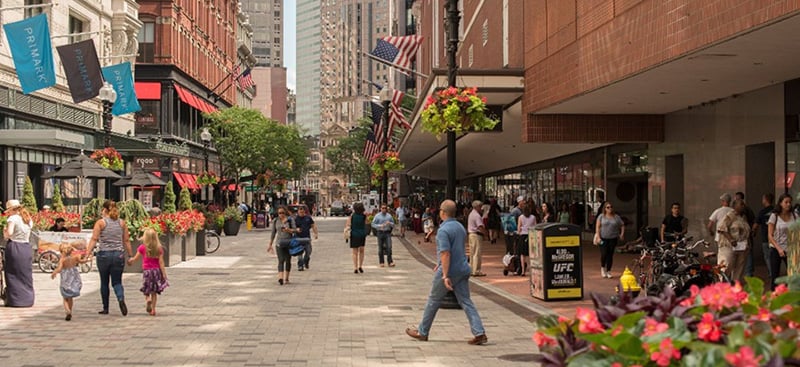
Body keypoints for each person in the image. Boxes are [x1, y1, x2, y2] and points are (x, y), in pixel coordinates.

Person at [405, 199, 487, 345]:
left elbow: (446, 253)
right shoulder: (460, 227)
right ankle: (479, 331)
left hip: (449, 270)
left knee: (433, 300)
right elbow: (455, 250)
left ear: (442, 212)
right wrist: (439, 263)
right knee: (466, 301)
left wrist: (444, 274)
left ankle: (423, 331)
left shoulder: (443, 230)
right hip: (462, 268)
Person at [86, 200, 133, 315]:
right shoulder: (121, 223)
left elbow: (94, 239)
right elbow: (126, 240)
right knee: (117, 282)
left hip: (104, 255)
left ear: (105, 210)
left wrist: (87, 253)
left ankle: (105, 308)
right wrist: (130, 255)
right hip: (118, 255)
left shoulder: (101, 223)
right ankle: (121, 299)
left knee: (104, 282)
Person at [127, 228, 169, 316]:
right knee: (154, 291)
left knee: (146, 288)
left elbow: (136, 258)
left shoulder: (142, 248)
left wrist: (131, 261)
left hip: (147, 271)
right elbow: (161, 262)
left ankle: (147, 299)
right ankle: (153, 309)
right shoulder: (159, 248)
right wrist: (163, 273)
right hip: (156, 271)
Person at [2, 200, 35, 307]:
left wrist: (4, 232)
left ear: (11, 210)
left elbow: (9, 234)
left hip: (15, 247)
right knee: (25, 274)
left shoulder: (13, 218)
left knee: (13, 273)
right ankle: (27, 299)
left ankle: (16, 299)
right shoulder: (27, 218)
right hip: (26, 247)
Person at [50, 243, 89, 320]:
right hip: (73, 279)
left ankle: (67, 311)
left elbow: (60, 269)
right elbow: (81, 261)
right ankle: (70, 310)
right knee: (70, 297)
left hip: (66, 280)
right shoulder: (75, 258)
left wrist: (54, 272)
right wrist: (87, 259)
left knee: (65, 297)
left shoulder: (62, 260)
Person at [768, 193, 797, 290]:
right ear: (780, 203)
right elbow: (770, 235)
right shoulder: (774, 216)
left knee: (793, 274)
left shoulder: (794, 215)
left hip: (791, 248)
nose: (788, 204)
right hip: (776, 248)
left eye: (790, 202)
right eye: (786, 202)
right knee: (775, 275)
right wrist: (779, 248)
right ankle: (773, 296)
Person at [717, 199, 751, 282]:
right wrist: (731, 239)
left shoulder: (743, 217)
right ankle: (722, 283)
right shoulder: (730, 215)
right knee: (727, 265)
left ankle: (735, 285)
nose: (743, 206)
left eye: (743, 204)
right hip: (729, 246)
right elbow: (721, 228)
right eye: (741, 204)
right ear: (735, 206)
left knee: (739, 268)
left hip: (742, 247)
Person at [268, 206, 297, 285]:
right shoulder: (275, 221)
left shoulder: (290, 220)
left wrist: (288, 230)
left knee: (288, 260)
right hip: (279, 243)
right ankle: (280, 278)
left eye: (283, 213)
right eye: (279, 213)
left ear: (285, 213)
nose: (281, 215)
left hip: (289, 243)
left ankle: (286, 278)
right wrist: (270, 244)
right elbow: (273, 233)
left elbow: (295, 230)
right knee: (281, 260)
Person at [595, 201, 624, 279]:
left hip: (613, 238)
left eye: (611, 207)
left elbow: (622, 225)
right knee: (604, 253)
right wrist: (598, 236)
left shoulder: (616, 217)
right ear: (605, 209)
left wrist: (621, 234)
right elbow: (597, 227)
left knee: (610, 255)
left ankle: (608, 271)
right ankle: (602, 267)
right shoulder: (601, 216)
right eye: (608, 207)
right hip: (603, 238)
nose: (610, 209)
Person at [752, 193, 775, 282]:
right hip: (776, 237)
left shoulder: (762, 212)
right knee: (774, 255)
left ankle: (771, 272)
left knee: (767, 256)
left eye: (763, 199)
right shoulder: (775, 211)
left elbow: (755, 225)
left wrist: (753, 232)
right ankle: (774, 271)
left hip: (766, 237)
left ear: (765, 200)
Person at [735, 192, 756, 277]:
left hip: (744, 235)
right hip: (744, 235)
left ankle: (748, 272)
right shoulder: (748, 209)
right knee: (747, 253)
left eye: (737, 198)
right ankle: (748, 272)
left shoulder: (744, 210)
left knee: (747, 253)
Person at [708, 193, 734, 263]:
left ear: (723, 201)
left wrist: (711, 232)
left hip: (720, 237)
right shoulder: (733, 211)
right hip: (732, 237)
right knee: (731, 255)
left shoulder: (718, 211)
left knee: (722, 255)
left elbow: (710, 225)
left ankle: (721, 269)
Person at [516, 203, 538, 276]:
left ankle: (523, 270)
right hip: (531, 235)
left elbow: (519, 228)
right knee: (530, 254)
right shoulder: (533, 217)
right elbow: (535, 227)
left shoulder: (521, 217)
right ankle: (531, 270)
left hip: (523, 236)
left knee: (522, 254)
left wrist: (518, 233)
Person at [295, 206, 318, 271]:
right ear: (298, 212)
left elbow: (313, 225)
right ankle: (300, 265)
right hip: (298, 239)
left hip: (307, 238)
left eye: (302, 212)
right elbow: (292, 228)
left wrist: (315, 233)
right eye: (300, 211)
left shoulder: (308, 218)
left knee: (308, 252)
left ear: (304, 212)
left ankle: (306, 261)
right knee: (299, 253)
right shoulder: (295, 219)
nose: (301, 213)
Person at [467, 200, 487, 277]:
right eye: (480, 206)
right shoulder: (477, 216)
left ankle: (472, 269)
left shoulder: (471, 214)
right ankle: (476, 270)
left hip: (471, 234)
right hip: (476, 235)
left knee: (472, 252)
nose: (481, 208)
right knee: (477, 253)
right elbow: (480, 226)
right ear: (477, 207)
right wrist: (485, 234)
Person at [347, 202, 368, 273]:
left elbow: (348, 224)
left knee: (354, 252)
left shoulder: (352, 216)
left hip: (354, 234)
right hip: (362, 234)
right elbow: (367, 223)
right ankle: (360, 266)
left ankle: (355, 267)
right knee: (361, 251)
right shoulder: (364, 216)